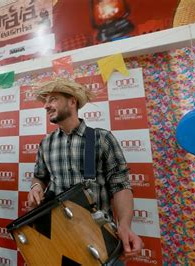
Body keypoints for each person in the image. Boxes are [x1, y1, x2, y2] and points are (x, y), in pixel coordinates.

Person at [27, 79, 143, 264]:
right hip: (58, 235)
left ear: (72, 102)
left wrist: (125, 226)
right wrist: (35, 187)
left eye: (53, 99)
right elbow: (40, 176)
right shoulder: (46, 143)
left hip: (98, 233)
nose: (47, 106)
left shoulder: (102, 138)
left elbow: (120, 185)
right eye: (46, 101)